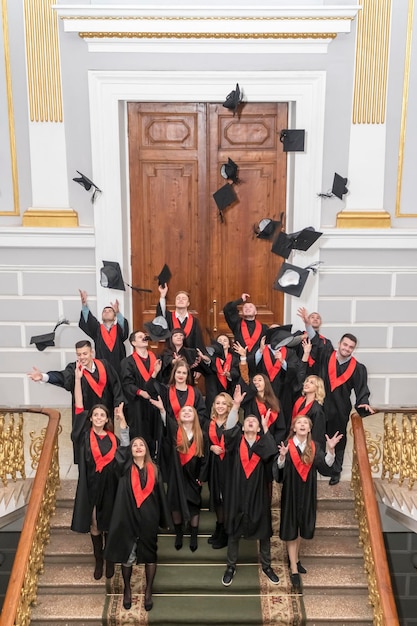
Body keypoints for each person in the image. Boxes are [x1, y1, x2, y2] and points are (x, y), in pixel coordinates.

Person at [70, 362, 130, 581]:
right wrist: (77, 380)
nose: (98, 418)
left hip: (111, 487)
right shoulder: (84, 437)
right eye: (95, 415)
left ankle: (110, 559)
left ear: (106, 419)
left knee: (109, 524)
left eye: (102, 415)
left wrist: (122, 418)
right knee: (95, 523)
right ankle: (98, 559)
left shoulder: (113, 439)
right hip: (91, 486)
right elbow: (78, 407)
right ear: (91, 418)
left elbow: (125, 451)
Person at [28, 339, 124, 462]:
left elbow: (116, 384)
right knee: (85, 449)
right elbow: (62, 377)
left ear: (92, 352)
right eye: (79, 354)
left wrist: (117, 404)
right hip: (84, 417)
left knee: (106, 446)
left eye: (85, 353)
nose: (82, 357)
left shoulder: (104, 365)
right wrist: (44, 377)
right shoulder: (74, 369)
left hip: (104, 414)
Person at [104, 436, 171, 611]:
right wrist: (125, 431)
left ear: (147, 449)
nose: (139, 447)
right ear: (130, 451)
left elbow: (161, 497)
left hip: (149, 518)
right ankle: (127, 589)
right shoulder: (124, 468)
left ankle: (148, 591)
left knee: (150, 555)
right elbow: (120, 455)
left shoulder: (154, 469)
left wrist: (162, 518)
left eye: (142, 444)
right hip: (127, 517)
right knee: (128, 556)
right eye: (135, 445)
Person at [275, 415, 343, 589]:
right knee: (292, 527)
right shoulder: (287, 446)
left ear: (310, 428)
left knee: (300, 527)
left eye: (306, 423)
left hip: (307, 492)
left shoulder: (315, 447)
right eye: (299, 422)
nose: (303, 424)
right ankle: (293, 568)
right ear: (294, 428)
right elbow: (279, 473)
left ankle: (295, 558)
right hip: (291, 492)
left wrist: (331, 450)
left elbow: (325, 467)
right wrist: (282, 458)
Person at [221, 411, 280, 587]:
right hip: (236, 492)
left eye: (254, 421)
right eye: (247, 421)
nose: (251, 423)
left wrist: (266, 426)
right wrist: (236, 406)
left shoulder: (263, 442)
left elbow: (272, 453)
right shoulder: (236, 441)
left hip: (258, 492)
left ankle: (267, 566)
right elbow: (229, 429)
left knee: (263, 529)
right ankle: (230, 567)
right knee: (234, 529)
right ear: (243, 426)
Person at [315, 333, 375, 485]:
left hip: (340, 408)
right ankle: (322, 466)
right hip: (320, 404)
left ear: (354, 349)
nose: (347, 348)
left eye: (351, 347)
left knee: (338, 439)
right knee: (319, 435)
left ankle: (336, 470)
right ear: (339, 343)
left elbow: (362, 390)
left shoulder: (358, 368)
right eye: (345, 345)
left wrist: (363, 403)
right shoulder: (326, 357)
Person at [151, 400, 209, 553]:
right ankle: (179, 533)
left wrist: (201, 478)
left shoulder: (201, 435)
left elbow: (206, 459)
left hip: (193, 475)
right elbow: (166, 421)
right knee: (175, 505)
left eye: (190, 411)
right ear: (179, 417)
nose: (187, 413)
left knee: (194, 504)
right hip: (176, 474)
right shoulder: (175, 430)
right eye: (184, 411)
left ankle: (194, 534)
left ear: (195, 415)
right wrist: (162, 409)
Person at [206, 386, 245, 549]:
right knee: (217, 498)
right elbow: (205, 442)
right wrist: (210, 448)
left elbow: (231, 438)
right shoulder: (210, 424)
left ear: (229, 406)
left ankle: (229, 532)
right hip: (215, 465)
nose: (220, 406)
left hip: (229, 465)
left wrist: (236, 406)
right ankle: (220, 527)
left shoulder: (235, 423)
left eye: (223, 403)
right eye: (217, 403)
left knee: (228, 498)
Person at [120, 330, 161, 456]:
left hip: (153, 402)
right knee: (139, 433)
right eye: (140, 336)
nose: (144, 338)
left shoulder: (156, 360)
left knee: (154, 433)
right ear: (133, 343)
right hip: (136, 404)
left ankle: (153, 459)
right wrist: (140, 392)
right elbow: (126, 384)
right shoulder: (127, 362)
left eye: (145, 336)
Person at [78, 289, 129, 374]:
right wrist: (84, 304)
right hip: (101, 368)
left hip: (119, 368)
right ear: (101, 316)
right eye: (104, 311)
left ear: (114, 316)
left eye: (110, 311)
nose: (107, 312)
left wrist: (118, 312)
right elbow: (88, 321)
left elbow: (124, 328)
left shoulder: (118, 329)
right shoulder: (97, 329)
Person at [223, 293, 268, 374]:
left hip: (257, 365)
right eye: (245, 307)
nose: (247, 308)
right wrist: (241, 300)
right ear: (242, 312)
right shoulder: (237, 323)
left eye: (250, 307)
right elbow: (227, 309)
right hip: (238, 363)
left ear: (256, 312)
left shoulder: (264, 328)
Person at [156, 283, 206, 352]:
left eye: (184, 299)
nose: (180, 300)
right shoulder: (168, 317)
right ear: (175, 302)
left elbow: (198, 341)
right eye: (178, 298)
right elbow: (160, 314)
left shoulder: (194, 321)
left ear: (188, 303)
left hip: (189, 358)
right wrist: (162, 296)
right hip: (171, 356)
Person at [197, 333, 240, 411]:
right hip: (213, 393)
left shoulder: (234, 358)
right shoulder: (211, 357)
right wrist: (205, 358)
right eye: (219, 340)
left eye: (225, 340)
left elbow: (237, 372)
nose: (222, 342)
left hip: (229, 392)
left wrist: (229, 374)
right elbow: (206, 365)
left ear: (229, 345)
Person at [292, 374, 327, 449]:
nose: (307, 384)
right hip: (295, 439)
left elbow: (317, 434)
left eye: (311, 382)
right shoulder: (299, 401)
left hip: (308, 445)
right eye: (306, 381)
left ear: (317, 388)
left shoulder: (317, 409)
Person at [296, 307, 333, 376]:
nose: (315, 319)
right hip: (299, 374)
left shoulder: (326, 342)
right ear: (307, 320)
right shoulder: (299, 335)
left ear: (321, 322)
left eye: (318, 318)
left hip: (318, 375)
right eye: (312, 317)